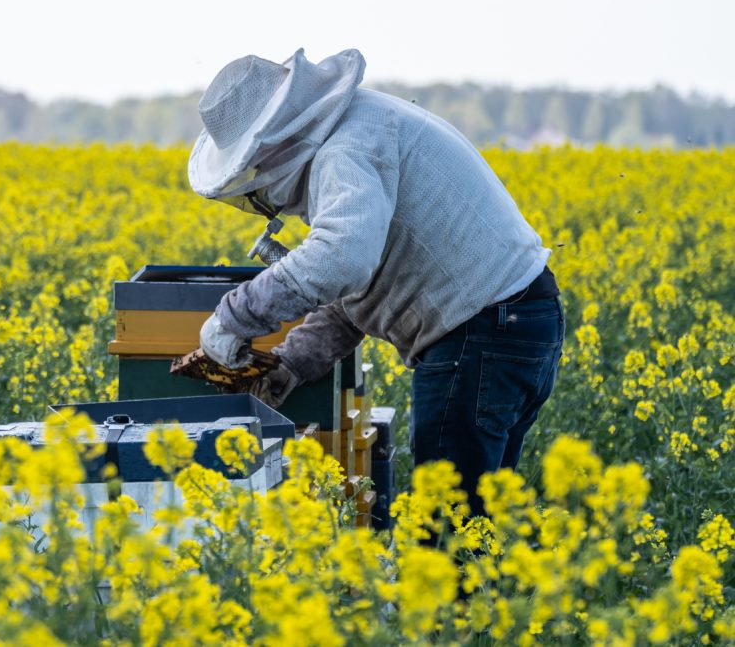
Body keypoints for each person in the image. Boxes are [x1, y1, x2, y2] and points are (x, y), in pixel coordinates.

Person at [190, 48, 564, 515]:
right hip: (508, 324)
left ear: (272, 140)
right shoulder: (355, 130)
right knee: (471, 524)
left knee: (447, 527)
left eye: (252, 166)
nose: (256, 182)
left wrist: (235, 316)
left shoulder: (345, 149)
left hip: (481, 333)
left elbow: (340, 259)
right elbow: (362, 283)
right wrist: (295, 362)